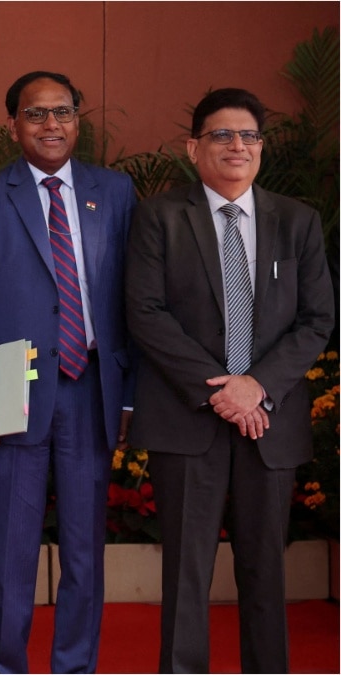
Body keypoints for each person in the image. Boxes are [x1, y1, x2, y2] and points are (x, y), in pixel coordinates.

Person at [125, 88, 334, 673]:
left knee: (266, 568)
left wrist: (256, 385)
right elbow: (145, 312)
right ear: (193, 147)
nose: (237, 145)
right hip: (187, 419)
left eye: (249, 135)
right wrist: (223, 390)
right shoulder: (159, 217)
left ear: (260, 148)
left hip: (270, 419)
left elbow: (317, 319)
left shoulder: (297, 221)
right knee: (186, 570)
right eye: (221, 134)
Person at [0, 71, 136, 673]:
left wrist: (129, 397)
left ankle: (75, 667)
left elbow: (134, 301)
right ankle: (8, 667)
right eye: (37, 114)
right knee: (9, 552)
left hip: (91, 393)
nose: (52, 125)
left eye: (63, 112)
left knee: (84, 552)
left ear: (78, 119)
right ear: (13, 124)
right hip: (12, 398)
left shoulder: (115, 191)